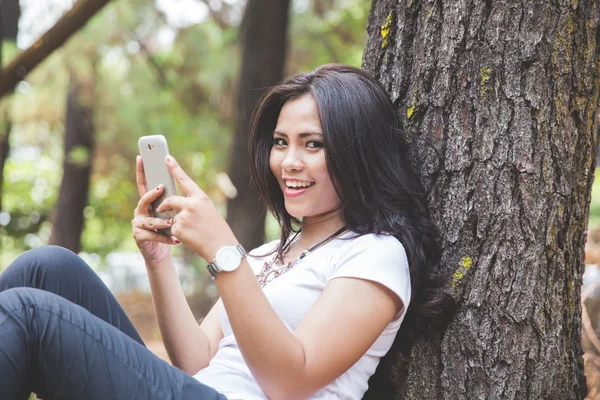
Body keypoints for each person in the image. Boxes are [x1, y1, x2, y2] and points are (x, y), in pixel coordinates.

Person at [0, 64, 454, 400]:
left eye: (312, 144)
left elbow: (291, 380)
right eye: (281, 142)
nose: (289, 162)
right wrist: (158, 261)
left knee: (29, 315)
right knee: (46, 268)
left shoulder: (375, 254)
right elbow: (197, 361)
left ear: (358, 152)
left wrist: (223, 252)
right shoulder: (268, 253)